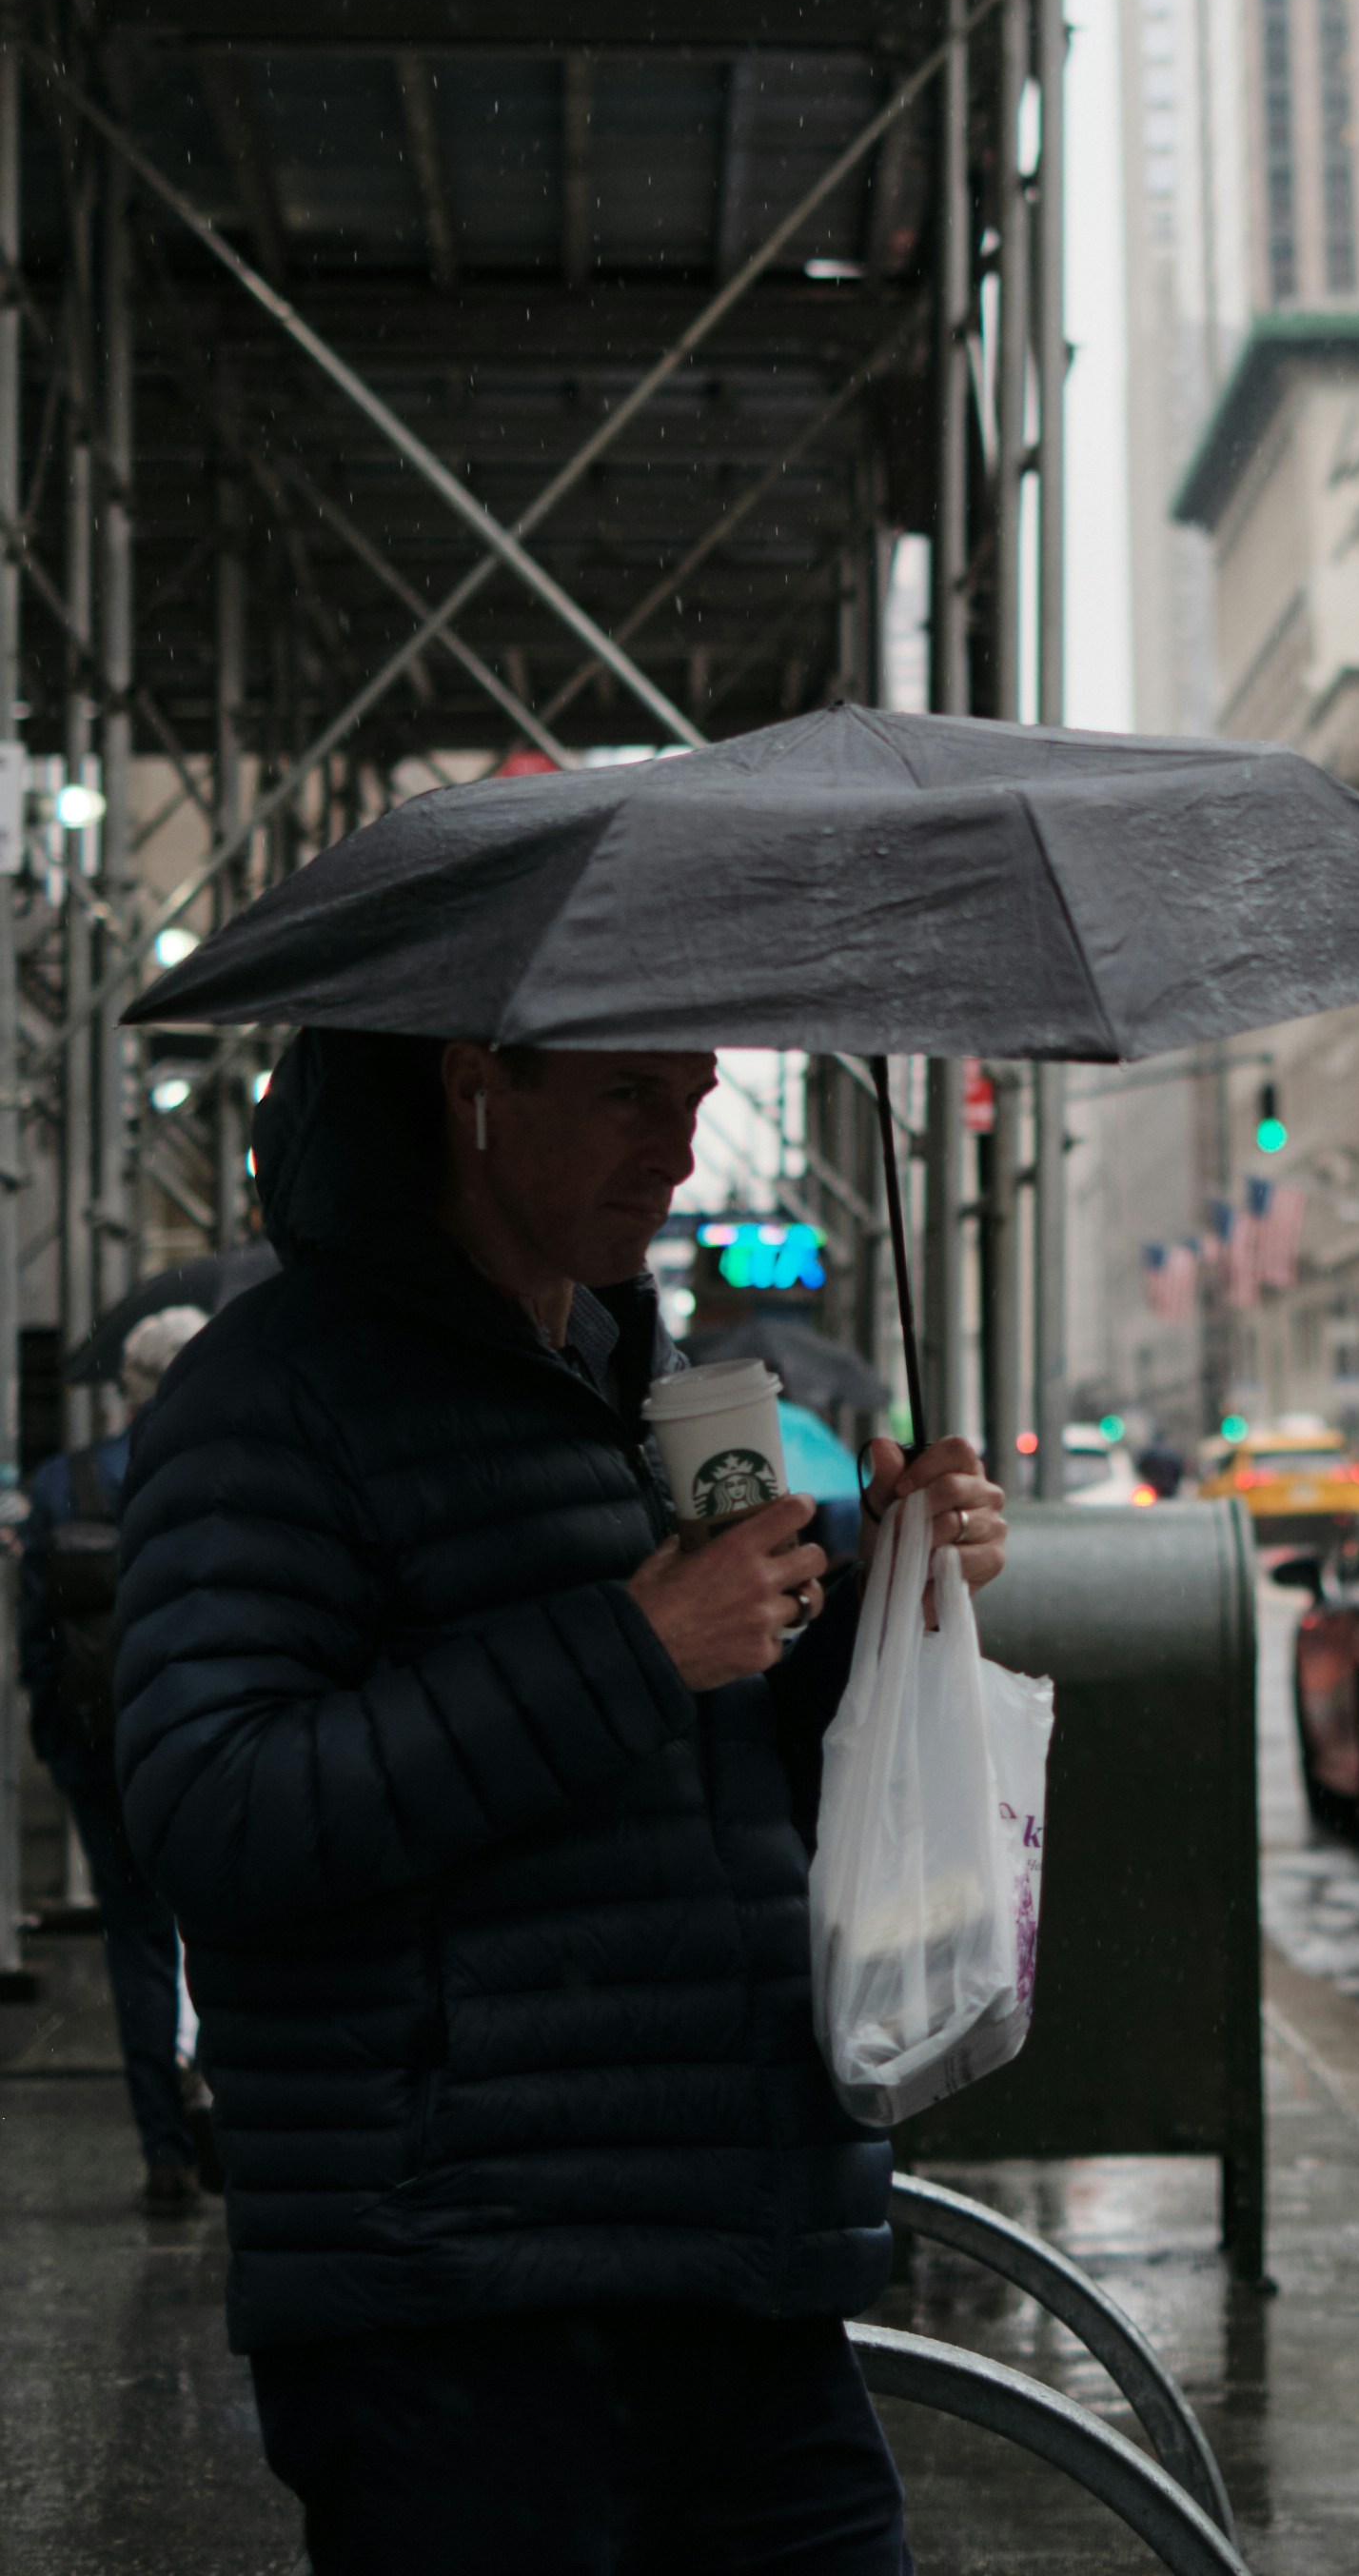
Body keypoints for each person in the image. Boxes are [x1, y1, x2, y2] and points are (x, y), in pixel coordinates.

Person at [114, 1030, 1006, 2576]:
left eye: (694, 1099)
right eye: (623, 1096)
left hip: (738, 2264)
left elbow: (697, 1785)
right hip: (463, 2307)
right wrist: (634, 1646)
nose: (674, 1148)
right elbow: (216, 1808)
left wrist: (878, 1607)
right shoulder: (271, 1397)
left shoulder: (636, 1381)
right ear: (477, 1081)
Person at [17, 1300, 210, 2211]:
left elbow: (37, 1640)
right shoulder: (227, 1474)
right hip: (212, 1745)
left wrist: (63, 1747)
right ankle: (232, 2132)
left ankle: (164, 2157)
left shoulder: (63, 1487)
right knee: (226, 1931)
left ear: (129, 1388)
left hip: (103, 1750)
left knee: (135, 1942)